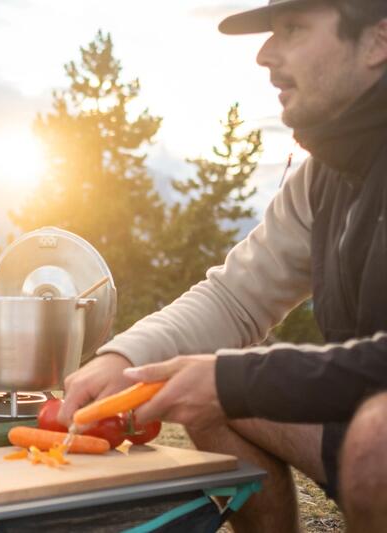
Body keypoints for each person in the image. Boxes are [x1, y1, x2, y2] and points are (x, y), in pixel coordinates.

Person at [58, 1, 387, 532]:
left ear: (377, 41)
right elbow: (236, 298)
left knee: (377, 435)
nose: (265, 54)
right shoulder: (321, 178)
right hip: (362, 424)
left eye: (294, 29)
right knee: (211, 396)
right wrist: (123, 359)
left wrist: (235, 379)